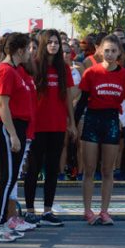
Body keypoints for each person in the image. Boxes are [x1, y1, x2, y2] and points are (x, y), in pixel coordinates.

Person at [76, 35, 125, 225]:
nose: (110, 54)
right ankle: (87, 211)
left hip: (111, 121)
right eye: (107, 51)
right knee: (89, 169)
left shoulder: (124, 74)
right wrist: (72, 125)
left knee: (108, 170)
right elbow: (82, 101)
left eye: (114, 51)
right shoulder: (91, 73)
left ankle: (104, 211)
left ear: (119, 53)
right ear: (100, 51)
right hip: (92, 120)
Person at [23, 29, 78, 226]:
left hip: (57, 125)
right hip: (37, 126)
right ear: (44, 44)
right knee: (33, 169)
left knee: (52, 170)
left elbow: (68, 98)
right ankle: (30, 210)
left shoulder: (63, 68)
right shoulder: (33, 65)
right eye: (50, 42)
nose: (54, 45)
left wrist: (71, 123)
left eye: (56, 42)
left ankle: (47, 211)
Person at [0, 33, 37, 241]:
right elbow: (2, 104)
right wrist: (13, 135)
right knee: (6, 178)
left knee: (10, 177)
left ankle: (2, 222)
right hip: (7, 128)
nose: (30, 53)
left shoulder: (16, 71)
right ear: (20, 50)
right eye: (28, 49)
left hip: (16, 127)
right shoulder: (6, 71)